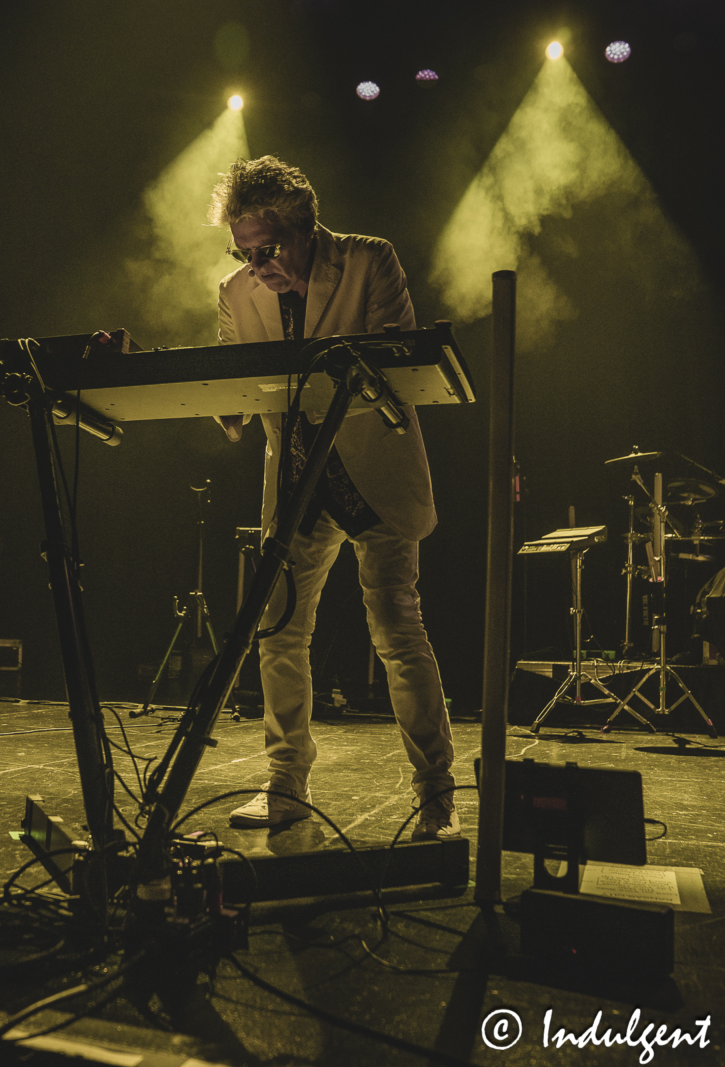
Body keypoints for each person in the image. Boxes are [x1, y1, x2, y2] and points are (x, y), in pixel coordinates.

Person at [207, 156, 456, 838]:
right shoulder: (235, 291)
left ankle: (436, 792)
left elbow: (392, 366)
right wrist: (216, 398)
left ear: (304, 228)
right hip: (295, 483)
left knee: (397, 632)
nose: (257, 264)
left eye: (268, 248)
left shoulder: (370, 261)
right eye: (244, 251)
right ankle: (284, 784)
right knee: (278, 634)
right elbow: (236, 393)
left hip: (373, 474)